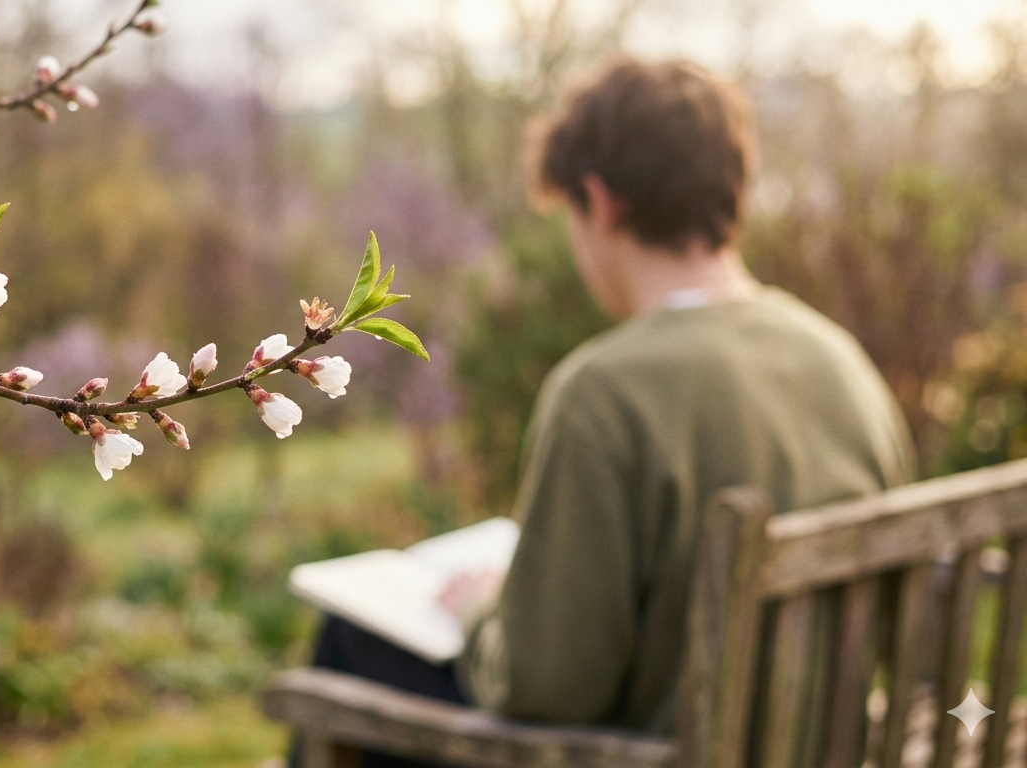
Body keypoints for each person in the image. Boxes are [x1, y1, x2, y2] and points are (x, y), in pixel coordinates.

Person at [300, 56, 915, 767]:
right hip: (816, 747)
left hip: (656, 752)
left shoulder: (603, 393)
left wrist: (479, 611)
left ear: (600, 200)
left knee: (351, 641)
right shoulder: (842, 362)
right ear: (732, 188)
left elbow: (546, 688)